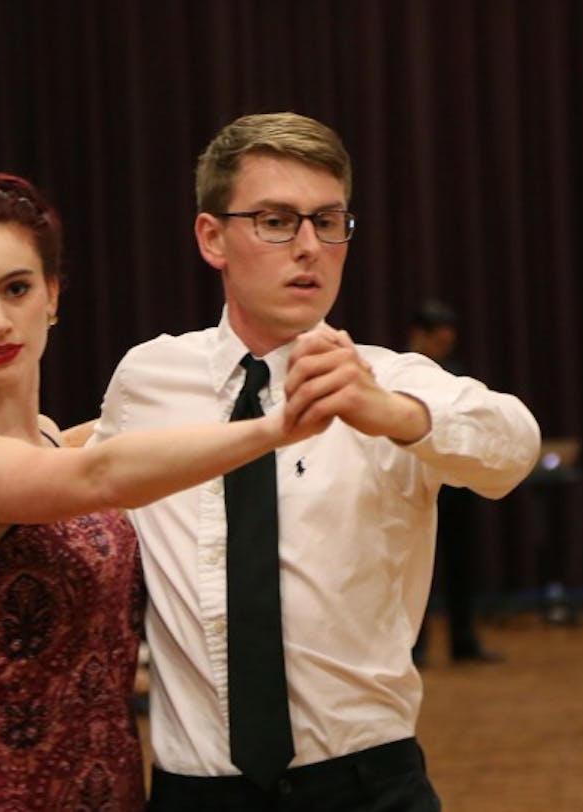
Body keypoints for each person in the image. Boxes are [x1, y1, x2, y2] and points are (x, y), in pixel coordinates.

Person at [92, 112, 541, 810]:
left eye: (328, 222)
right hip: (195, 792)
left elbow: (515, 445)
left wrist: (395, 415)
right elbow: (92, 478)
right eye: (276, 221)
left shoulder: (391, 381)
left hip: (364, 786)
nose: (309, 247)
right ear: (213, 237)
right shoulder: (148, 379)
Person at [0, 170, 340, 811]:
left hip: (107, 787)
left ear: (51, 295)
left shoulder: (46, 437)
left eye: (15, 288)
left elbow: (114, 444)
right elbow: (100, 476)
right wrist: (273, 427)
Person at [406, 299, 503, 666]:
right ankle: (414, 648)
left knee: (462, 566)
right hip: (416, 485)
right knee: (417, 570)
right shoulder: (402, 375)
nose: (445, 346)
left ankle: (464, 641)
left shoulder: (457, 375)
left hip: (456, 488)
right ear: (420, 335)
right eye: (439, 339)